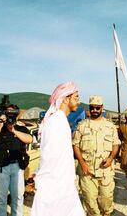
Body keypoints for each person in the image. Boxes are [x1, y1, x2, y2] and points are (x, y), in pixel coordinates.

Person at [31, 82, 84, 216]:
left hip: (62, 185)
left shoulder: (60, 120)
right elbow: (49, 156)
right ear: (66, 99)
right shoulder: (57, 122)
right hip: (55, 188)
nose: (78, 101)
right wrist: (40, 178)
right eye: (76, 97)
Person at [73, 95, 120, 216]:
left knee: (106, 201)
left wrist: (111, 158)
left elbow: (116, 144)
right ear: (89, 108)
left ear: (102, 108)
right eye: (92, 108)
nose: (95, 110)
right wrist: (82, 163)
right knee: (89, 203)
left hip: (105, 171)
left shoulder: (110, 126)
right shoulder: (82, 126)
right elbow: (75, 145)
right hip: (86, 171)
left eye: (97, 108)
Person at [0, 104, 33, 216]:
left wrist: (13, 130)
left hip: (17, 167)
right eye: (9, 113)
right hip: (0, 167)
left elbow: (29, 139)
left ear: (17, 115)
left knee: (18, 197)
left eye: (13, 113)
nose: (11, 116)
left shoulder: (21, 129)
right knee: (0, 199)